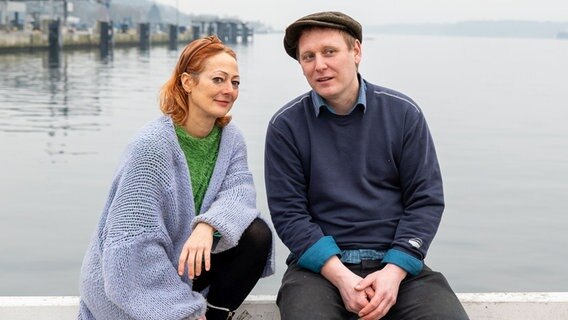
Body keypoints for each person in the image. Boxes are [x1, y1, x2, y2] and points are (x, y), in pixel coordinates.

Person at [265, 11, 469, 320]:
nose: (319, 65)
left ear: (356, 51)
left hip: (397, 263)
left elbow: (425, 200)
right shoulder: (286, 126)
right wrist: (342, 277)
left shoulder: (403, 114)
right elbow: (289, 215)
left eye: (329, 52)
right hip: (319, 270)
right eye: (308, 57)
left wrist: (395, 269)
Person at [79, 35, 274, 320]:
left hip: (187, 263)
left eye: (235, 82)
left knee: (257, 234)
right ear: (187, 83)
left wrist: (207, 225)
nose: (229, 90)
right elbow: (133, 246)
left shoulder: (231, 139)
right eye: (218, 79)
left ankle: (215, 316)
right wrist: (180, 311)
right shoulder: (152, 146)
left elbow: (240, 193)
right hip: (129, 277)